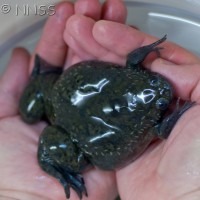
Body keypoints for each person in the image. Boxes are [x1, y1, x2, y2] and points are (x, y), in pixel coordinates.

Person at [0, 0, 200, 199]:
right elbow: (163, 127)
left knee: (31, 113)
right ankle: (49, 160)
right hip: (66, 105)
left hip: (68, 102)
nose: (161, 87)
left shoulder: (148, 115)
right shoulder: (153, 121)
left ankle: (43, 82)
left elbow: (133, 61)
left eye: (162, 105)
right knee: (32, 115)